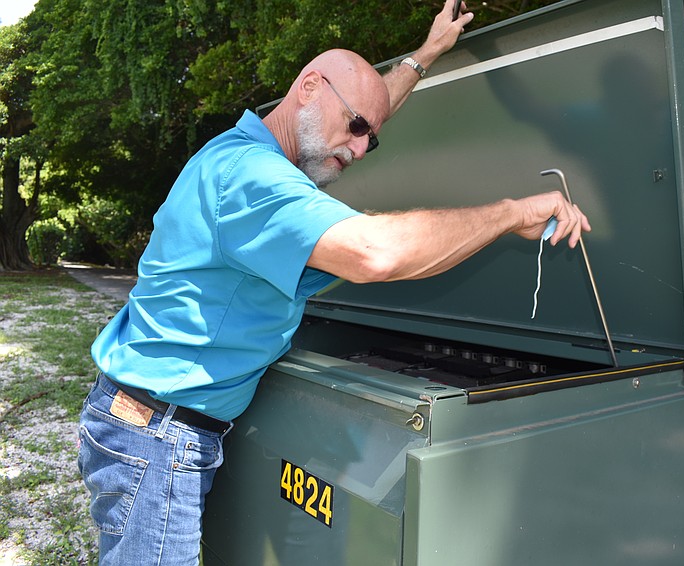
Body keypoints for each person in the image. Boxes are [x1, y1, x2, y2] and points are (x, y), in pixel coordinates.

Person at [77, 1, 591, 564]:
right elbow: (376, 253)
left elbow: (364, 108)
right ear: (309, 86)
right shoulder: (250, 178)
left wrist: (424, 55)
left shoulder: (250, 154)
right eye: (355, 130)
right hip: (158, 438)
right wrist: (512, 212)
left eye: (371, 139)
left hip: (156, 424)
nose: (358, 149)